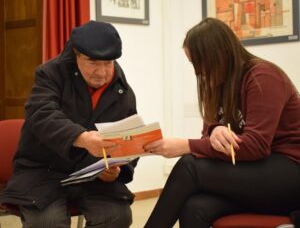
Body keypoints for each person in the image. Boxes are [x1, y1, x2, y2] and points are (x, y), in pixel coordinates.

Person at [144, 17, 300, 228]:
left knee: (189, 165)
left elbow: (256, 146)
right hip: (254, 174)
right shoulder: (218, 84)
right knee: (194, 207)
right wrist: (215, 130)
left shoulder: (263, 76)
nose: (198, 72)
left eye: (200, 63)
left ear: (219, 54)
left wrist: (186, 145)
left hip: (289, 172)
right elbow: (209, 143)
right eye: (193, 64)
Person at [0, 20, 138, 228]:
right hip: (42, 171)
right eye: (93, 62)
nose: (102, 73)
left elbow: (129, 136)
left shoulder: (121, 88)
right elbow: (41, 114)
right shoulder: (50, 73)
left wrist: (118, 170)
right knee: (48, 223)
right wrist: (81, 138)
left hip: (91, 174)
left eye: (108, 63)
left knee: (118, 217)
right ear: (76, 54)